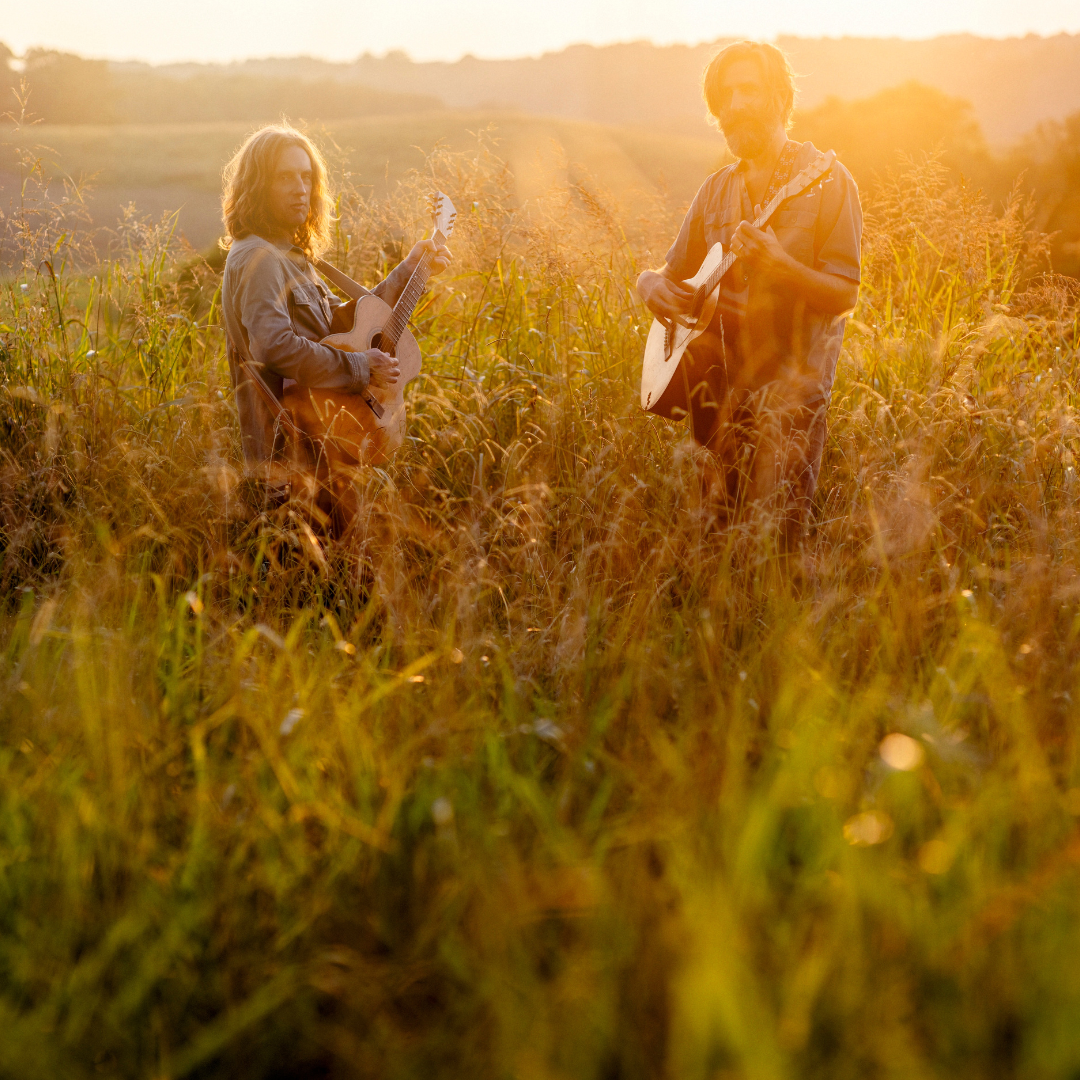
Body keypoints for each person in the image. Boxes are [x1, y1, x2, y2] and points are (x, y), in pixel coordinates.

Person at [636, 41, 862, 541]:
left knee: (778, 549)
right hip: (713, 400)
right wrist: (647, 283)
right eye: (725, 96)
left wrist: (781, 266)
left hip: (792, 404)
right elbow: (670, 274)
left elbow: (845, 295)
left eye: (749, 91)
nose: (735, 105)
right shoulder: (714, 190)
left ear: (781, 97)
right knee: (715, 545)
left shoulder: (825, 180)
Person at [220, 123, 450, 479]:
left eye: (306, 177)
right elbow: (274, 347)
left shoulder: (292, 256)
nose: (301, 189)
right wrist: (360, 366)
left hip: (326, 446)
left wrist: (409, 272)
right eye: (285, 177)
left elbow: (344, 323)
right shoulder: (258, 257)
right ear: (258, 185)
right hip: (290, 458)